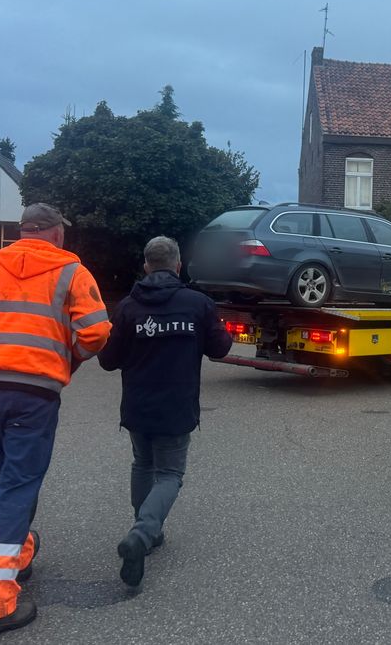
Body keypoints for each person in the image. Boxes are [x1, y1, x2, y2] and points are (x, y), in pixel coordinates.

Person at [0, 203, 110, 640]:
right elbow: (96, 332)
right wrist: (67, 358)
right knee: (18, 486)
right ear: (56, 234)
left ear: (22, 233)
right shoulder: (71, 272)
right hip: (34, 394)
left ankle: (17, 550)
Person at [97, 236, 231, 587]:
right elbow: (220, 349)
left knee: (143, 464)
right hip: (177, 406)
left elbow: (108, 361)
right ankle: (142, 534)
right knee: (170, 474)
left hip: (138, 406)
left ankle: (147, 532)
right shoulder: (197, 305)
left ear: (146, 265)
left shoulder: (128, 307)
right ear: (178, 266)